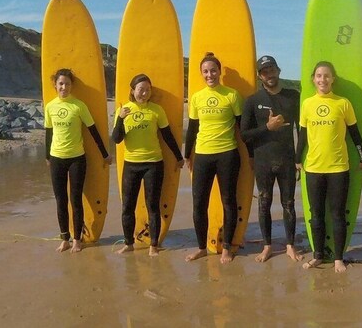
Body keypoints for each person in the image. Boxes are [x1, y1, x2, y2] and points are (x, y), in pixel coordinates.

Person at [297, 61, 362, 273]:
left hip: (338, 168)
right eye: (319, 76)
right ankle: (318, 255)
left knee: (337, 215)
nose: (322, 80)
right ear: (313, 79)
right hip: (314, 168)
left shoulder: (343, 103)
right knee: (316, 214)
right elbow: (302, 136)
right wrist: (297, 160)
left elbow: (355, 134)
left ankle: (338, 258)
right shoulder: (307, 104)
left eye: (326, 76)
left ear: (332, 79)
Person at [111, 73, 184, 257]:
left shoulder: (156, 110)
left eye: (147, 89)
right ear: (133, 90)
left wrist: (178, 156)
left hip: (153, 164)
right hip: (131, 164)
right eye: (141, 89)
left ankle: (153, 245)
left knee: (152, 205)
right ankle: (128, 243)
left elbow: (167, 135)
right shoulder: (124, 110)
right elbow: (117, 139)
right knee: (128, 206)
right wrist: (120, 118)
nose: (144, 93)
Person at [241, 55, 302, 263]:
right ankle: (267, 246)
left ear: (279, 70)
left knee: (289, 203)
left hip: (287, 159)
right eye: (265, 71)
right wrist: (267, 128)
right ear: (260, 76)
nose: (270, 74)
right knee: (264, 202)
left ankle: (290, 246)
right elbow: (244, 135)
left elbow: (302, 130)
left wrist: (299, 157)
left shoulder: (293, 96)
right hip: (263, 160)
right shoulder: (252, 101)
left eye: (272, 69)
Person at [184, 52, 243, 264]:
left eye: (213, 70)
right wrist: (187, 155)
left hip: (227, 154)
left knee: (229, 202)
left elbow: (241, 127)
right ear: (201, 74)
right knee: (199, 203)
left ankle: (227, 248)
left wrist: (254, 154)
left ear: (219, 71)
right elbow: (192, 129)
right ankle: (201, 247)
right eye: (206, 71)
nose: (210, 74)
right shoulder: (197, 97)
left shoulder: (232, 95)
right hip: (202, 155)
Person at [44, 68, 112, 253]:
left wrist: (105, 154)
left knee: (75, 199)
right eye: (60, 83)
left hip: (77, 159)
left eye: (67, 83)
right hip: (57, 158)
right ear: (55, 85)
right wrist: (47, 156)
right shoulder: (50, 106)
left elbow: (93, 130)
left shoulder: (79, 106)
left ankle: (77, 239)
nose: (64, 87)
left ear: (71, 86)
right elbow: (48, 133)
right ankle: (64, 238)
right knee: (60, 200)